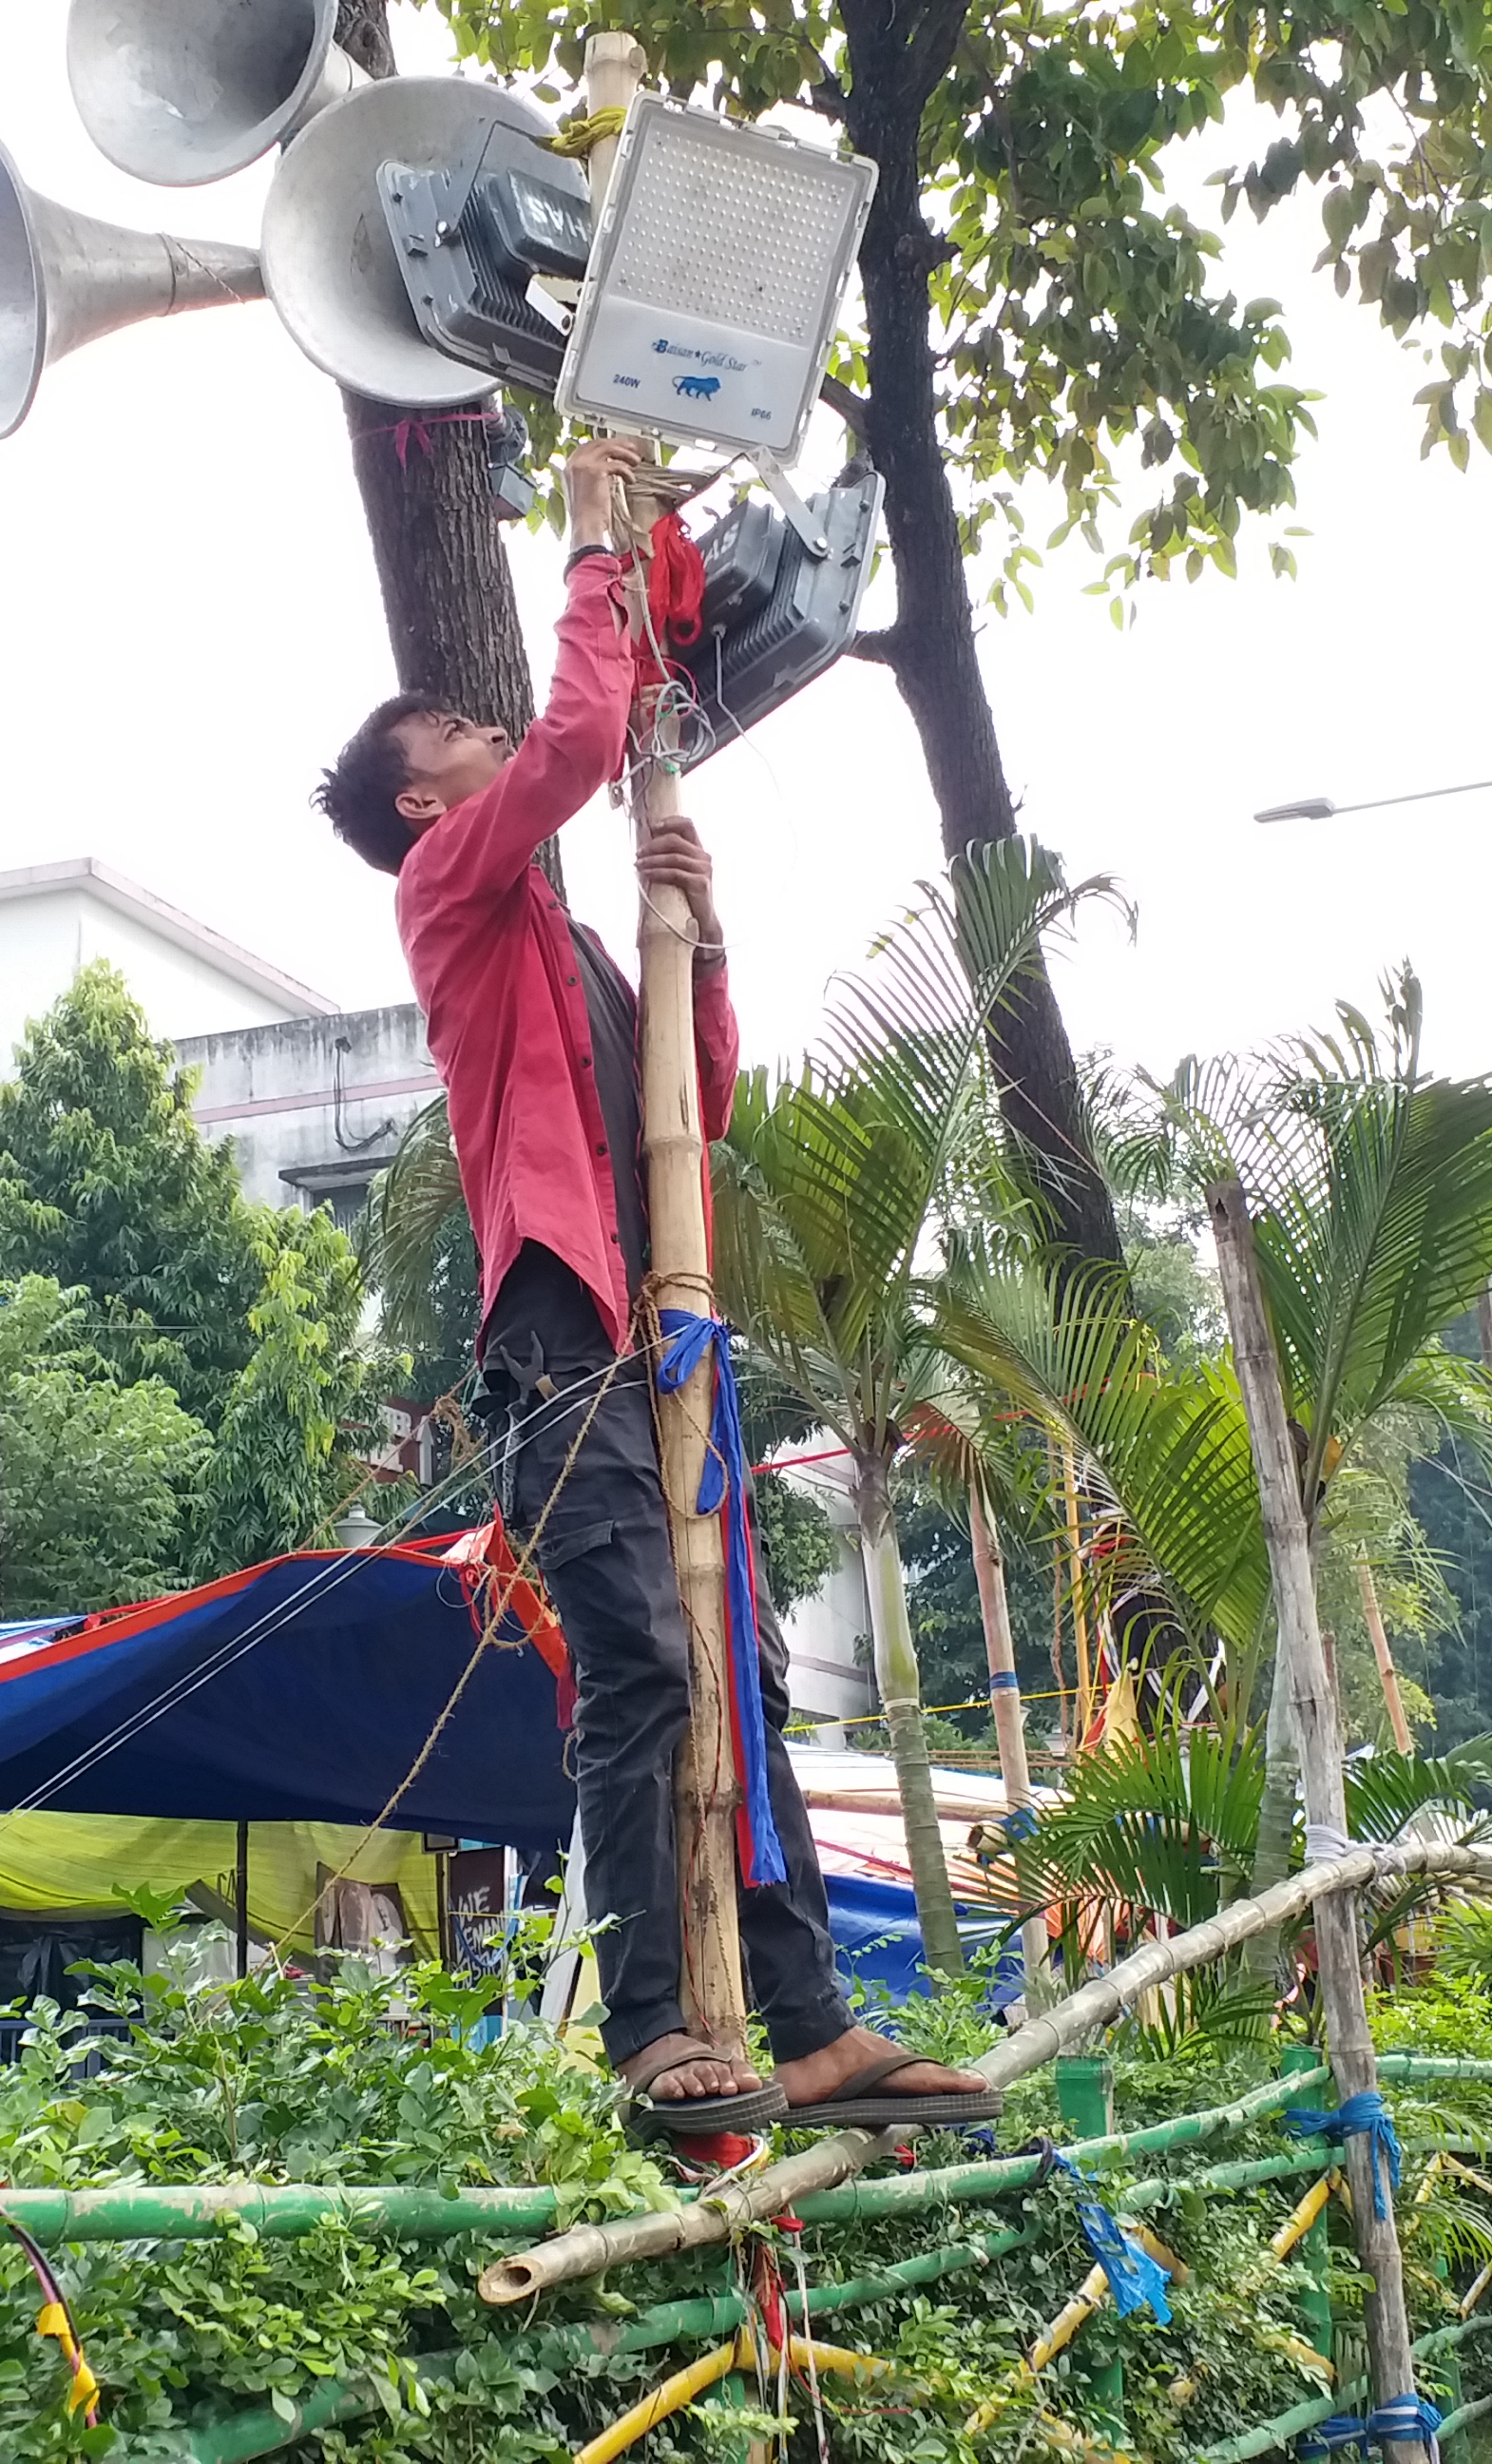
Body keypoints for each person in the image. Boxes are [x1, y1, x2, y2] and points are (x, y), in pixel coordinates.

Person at [315, 433, 994, 2142]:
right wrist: (595, 553)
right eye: (453, 739)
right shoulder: (448, 888)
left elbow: (687, 1104)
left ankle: (811, 2023)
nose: (488, 743)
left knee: (742, 1679)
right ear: (422, 799)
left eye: (479, 727)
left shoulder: (573, 944)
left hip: (660, 1335)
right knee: (637, 1664)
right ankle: (647, 2024)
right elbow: (569, 741)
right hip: (558, 1345)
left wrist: (698, 936)